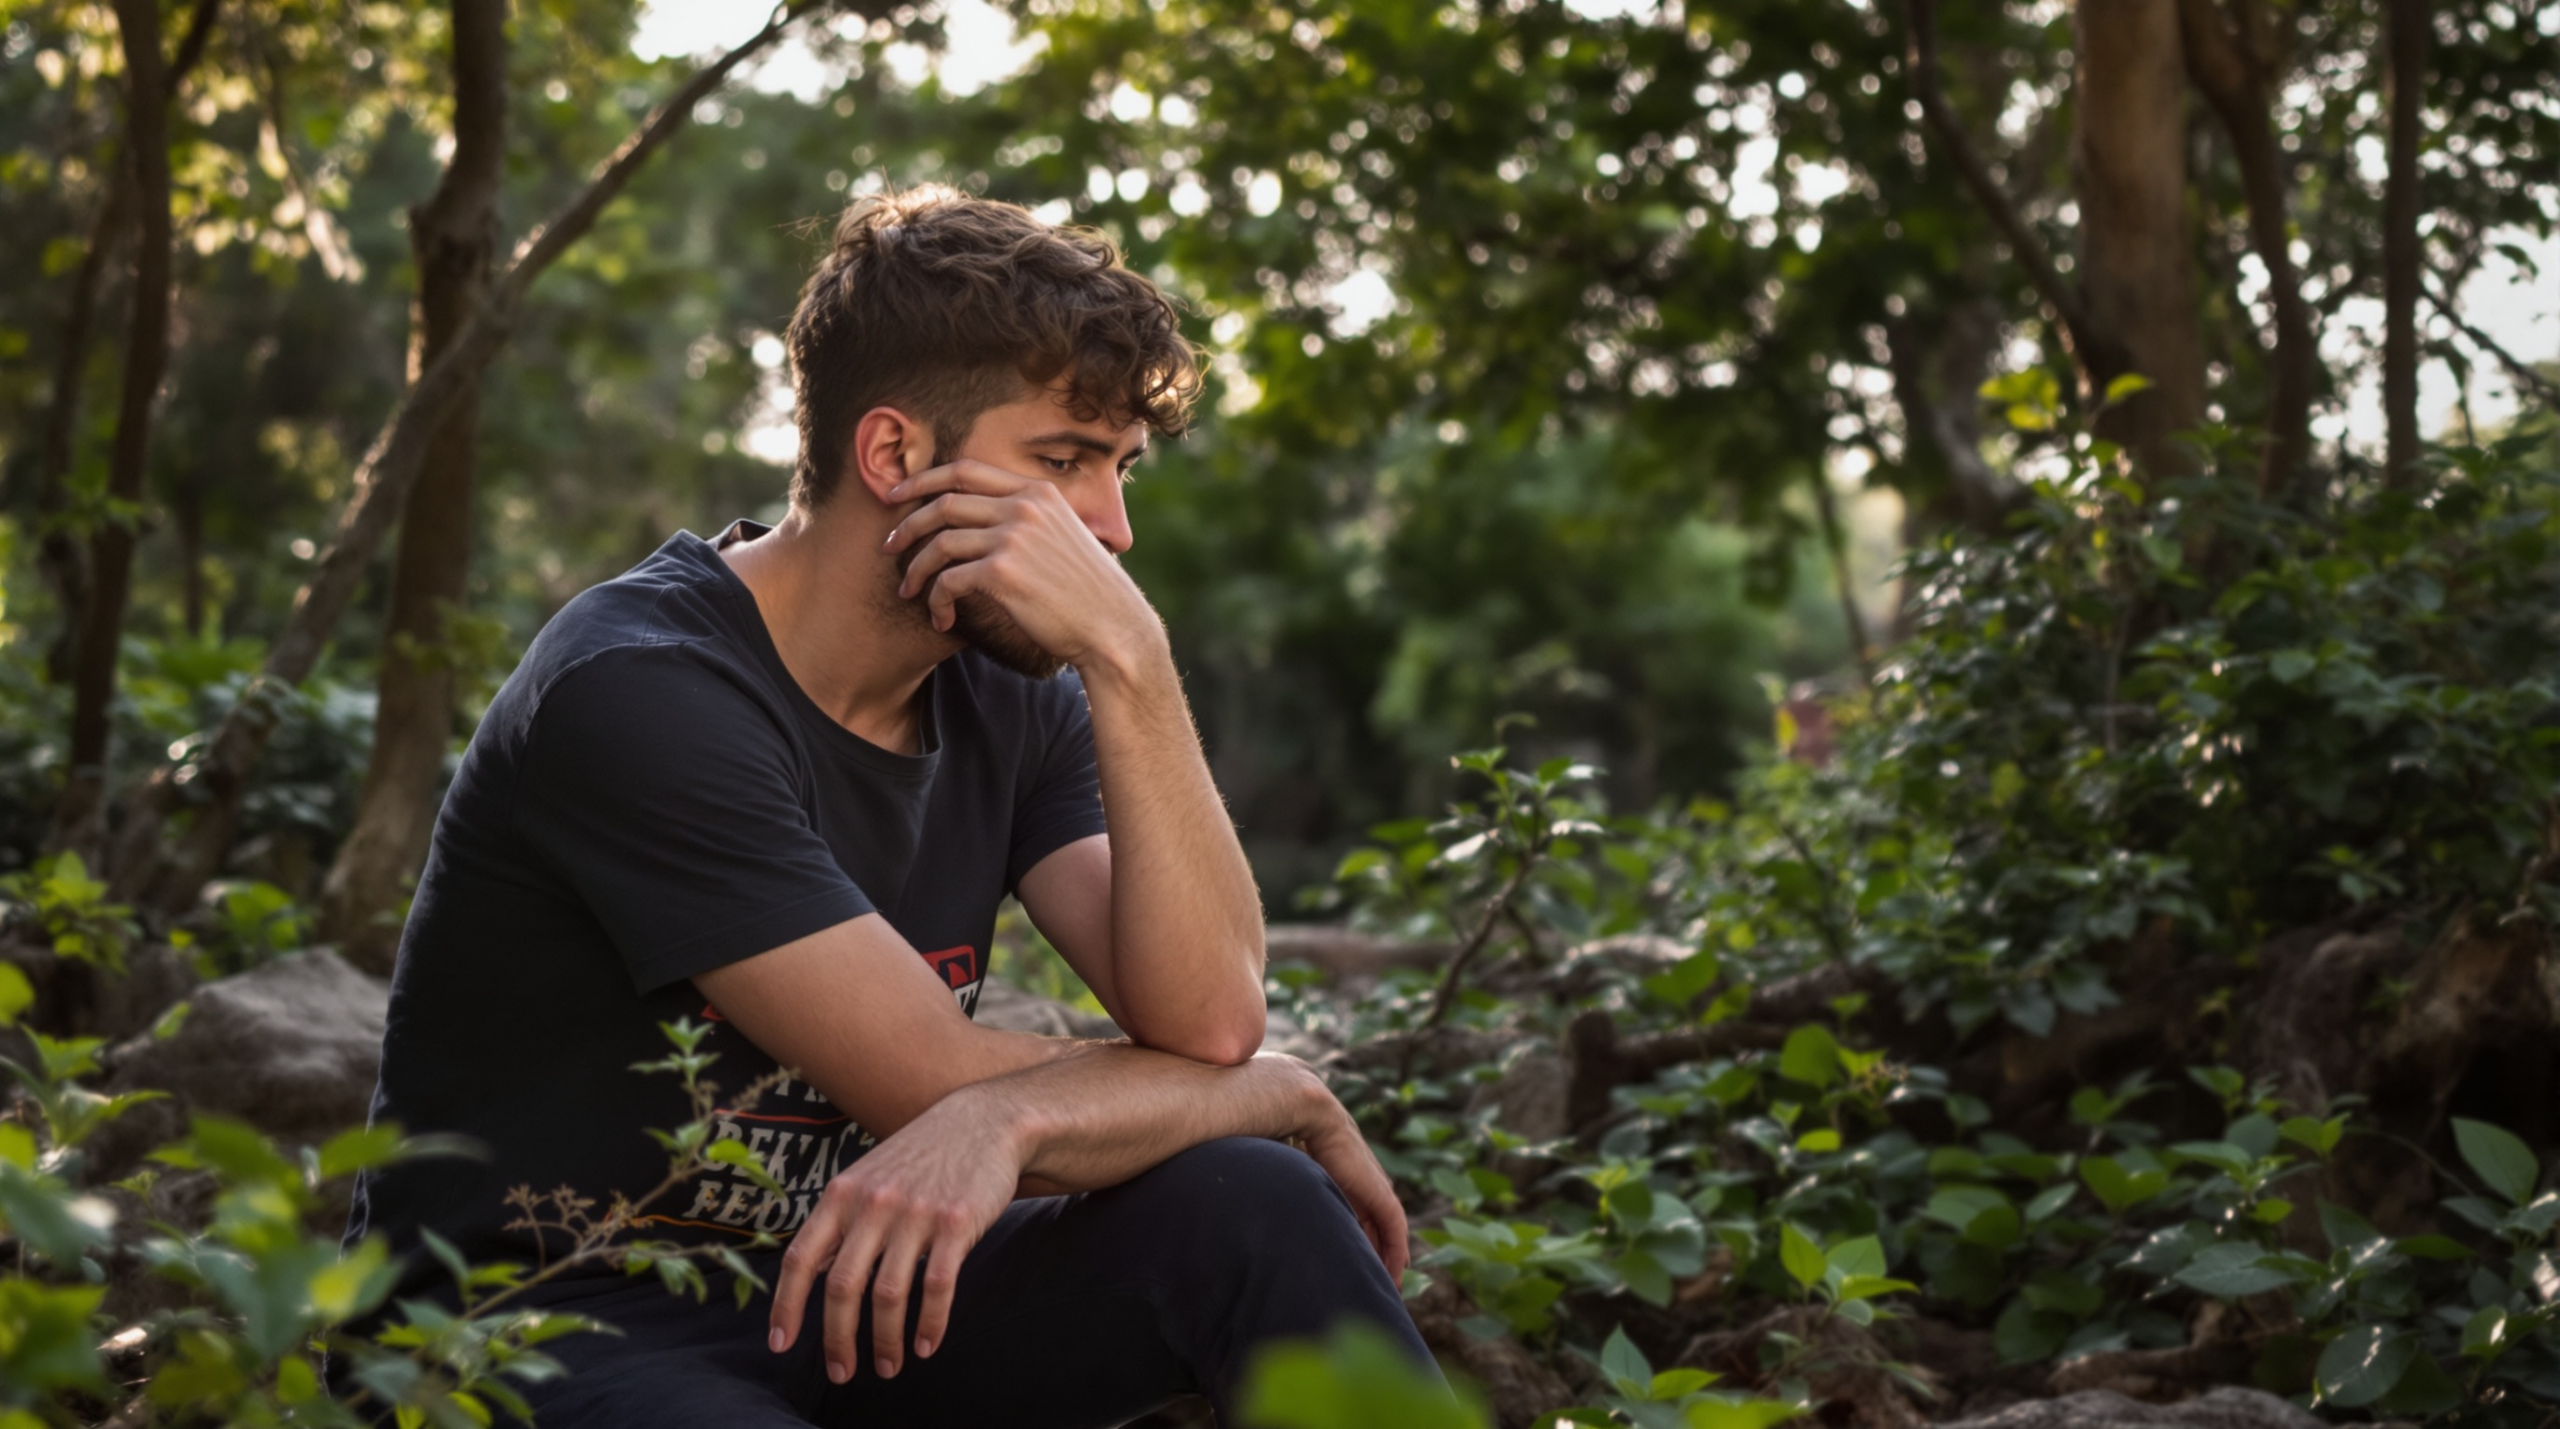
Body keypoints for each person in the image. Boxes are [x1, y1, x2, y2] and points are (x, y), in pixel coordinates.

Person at [345, 186, 1433, 1427]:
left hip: (850, 1294)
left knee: (1254, 1206)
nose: (1113, 531)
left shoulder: (1006, 683)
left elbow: (1206, 1018)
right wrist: (1274, 1092)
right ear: (895, 455)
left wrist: (1133, 662)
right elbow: (932, 1080)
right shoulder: (638, 688)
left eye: (1121, 471)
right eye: (1065, 461)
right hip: (535, 1330)